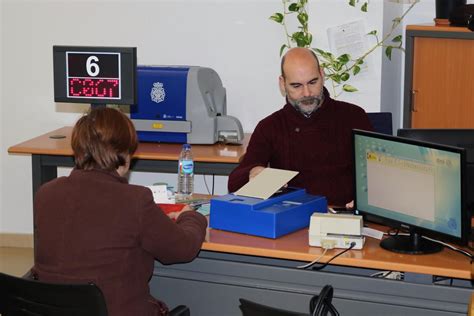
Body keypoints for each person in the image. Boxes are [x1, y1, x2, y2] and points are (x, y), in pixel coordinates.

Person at [31, 107, 207, 316]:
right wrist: (191, 216)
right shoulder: (135, 200)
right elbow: (183, 249)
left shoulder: (46, 193)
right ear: (124, 154)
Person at [228, 47, 372, 207]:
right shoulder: (270, 127)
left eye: (313, 82)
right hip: (292, 216)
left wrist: (364, 201)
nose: (307, 93)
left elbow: (376, 174)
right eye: (296, 86)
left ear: (322, 75)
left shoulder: (354, 116)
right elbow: (234, 183)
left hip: (343, 213)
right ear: (282, 84)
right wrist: (252, 173)